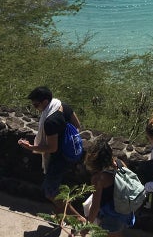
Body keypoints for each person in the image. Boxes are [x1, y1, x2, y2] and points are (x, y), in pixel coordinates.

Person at [17, 86, 82, 216]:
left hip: (60, 158)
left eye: (36, 105)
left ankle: (78, 219)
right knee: (58, 188)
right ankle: (59, 215)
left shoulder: (51, 121)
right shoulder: (62, 105)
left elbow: (52, 148)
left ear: (45, 102)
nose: (35, 108)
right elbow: (77, 125)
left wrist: (31, 147)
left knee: (50, 192)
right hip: (73, 150)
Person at [83, 136, 136, 236]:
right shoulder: (120, 163)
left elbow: (95, 207)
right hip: (125, 211)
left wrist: (85, 228)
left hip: (112, 216)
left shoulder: (98, 179)